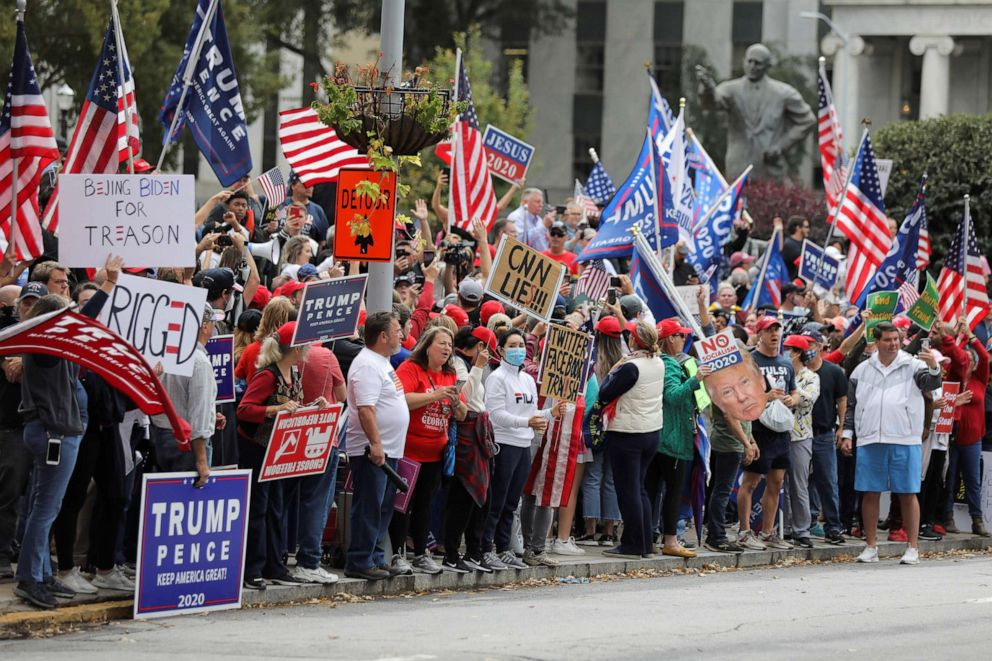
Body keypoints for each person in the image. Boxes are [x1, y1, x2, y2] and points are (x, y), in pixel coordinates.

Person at [842, 322, 942, 565]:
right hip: (870, 438)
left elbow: (932, 384)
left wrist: (934, 367)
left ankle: (912, 548)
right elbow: (853, 406)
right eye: (887, 340)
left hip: (905, 437)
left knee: (908, 493)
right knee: (870, 492)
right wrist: (847, 433)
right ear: (877, 342)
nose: (893, 344)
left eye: (896, 339)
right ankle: (871, 546)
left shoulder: (913, 365)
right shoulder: (861, 370)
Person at [236, 322, 314, 590]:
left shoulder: (294, 371)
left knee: (276, 507)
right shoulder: (267, 375)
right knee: (258, 508)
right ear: (294, 348)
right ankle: (252, 569)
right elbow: (245, 409)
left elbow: (293, 406)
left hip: (279, 451)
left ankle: (274, 565)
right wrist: (275, 410)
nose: (309, 349)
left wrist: (314, 407)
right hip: (257, 448)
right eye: (305, 345)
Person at [391, 327, 467, 575]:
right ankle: (396, 553)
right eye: (442, 343)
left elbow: (463, 414)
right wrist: (434, 395)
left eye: (450, 344)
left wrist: (455, 403)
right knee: (403, 505)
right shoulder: (411, 368)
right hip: (409, 451)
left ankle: (421, 553)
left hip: (436, 452)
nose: (447, 348)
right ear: (427, 345)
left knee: (425, 504)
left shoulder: (450, 374)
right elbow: (402, 399)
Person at [481, 329, 556, 570]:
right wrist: (527, 423)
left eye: (521, 344)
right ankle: (485, 549)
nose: (518, 349)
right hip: (504, 444)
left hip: (523, 445)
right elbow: (495, 415)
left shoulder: (527, 379)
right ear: (501, 350)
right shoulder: (497, 378)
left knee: (512, 502)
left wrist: (550, 413)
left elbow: (531, 412)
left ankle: (503, 548)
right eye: (512, 345)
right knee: (497, 500)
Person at [344, 311, 410, 581]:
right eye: (397, 331)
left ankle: (373, 556)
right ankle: (359, 559)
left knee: (382, 507)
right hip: (371, 451)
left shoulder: (381, 362)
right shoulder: (368, 365)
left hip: (389, 449)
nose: (402, 336)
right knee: (369, 505)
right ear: (383, 336)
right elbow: (366, 409)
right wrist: (376, 443)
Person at [696, 43, 816, 181]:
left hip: (769, 168)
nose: (752, 66)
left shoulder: (783, 93)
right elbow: (710, 104)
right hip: (737, 167)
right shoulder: (731, 90)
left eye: (757, 63)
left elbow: (808, 120)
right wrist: (707, 89)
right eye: (749, 61)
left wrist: (781, 146)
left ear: (767, 66)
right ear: (744, 61)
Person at [598, 321, 666, 558]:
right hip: (650, 432)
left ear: (634, 341)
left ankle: (633, 544)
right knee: (639, 490)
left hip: (628, 434)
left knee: (628, 492)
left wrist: (615, 367)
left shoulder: (631, 367)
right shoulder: (658, 362)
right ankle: (644, 542)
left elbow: (605, 392)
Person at [648, 318, 711, 558]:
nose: (685, 340)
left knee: (651, 490)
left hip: (658, 434)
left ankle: (648, 537)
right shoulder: (671, 364)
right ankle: (670, 540)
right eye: (681, 336)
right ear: (669, 339)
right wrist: (695, 380)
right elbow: (673, 396)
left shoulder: (656, 361)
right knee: (673, 490)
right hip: (674, 438)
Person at [736, 316, 797, 551]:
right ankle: (744, 531)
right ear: (759, 333)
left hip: (780, 430)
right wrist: (765, 397)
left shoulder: (786, 363)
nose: (775, 335)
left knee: (777, 481)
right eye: (769, 330)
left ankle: (769, 532)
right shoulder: (750, 360)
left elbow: (794, 391)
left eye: (777, 330)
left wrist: (794, 398)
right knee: (750, 481)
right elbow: (740, 394)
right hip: (758, 429)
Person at [443, 327, 497, 573]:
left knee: (481, 497)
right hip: (466, 430)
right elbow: (463, 397)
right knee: (464, 495)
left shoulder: (471, 365)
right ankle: (452, 553)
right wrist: (478, 368)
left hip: (479, 430)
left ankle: (474, 550)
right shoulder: (458, 364)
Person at [576, 316, 624, 546]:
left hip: (595, 425)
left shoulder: (592, 362)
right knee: (612, 479)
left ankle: (589, 530)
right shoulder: (626, 362)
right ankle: (609, 531)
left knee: (593, 477)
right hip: (619, 426)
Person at [940, 317, 990, 537]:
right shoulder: (953, 378)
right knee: (949, 480)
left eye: (971, 358)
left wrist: (971, 335)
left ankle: (977, 520)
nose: (967, 360)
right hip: (952, 438)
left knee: (972, 481)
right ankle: (948, 517)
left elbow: (986, 357)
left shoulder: (980, 379)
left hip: (973, 440)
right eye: (964, 358)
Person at [804, 328, 849, 545]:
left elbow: (842, 400)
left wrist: (841, 427)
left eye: (812, 343)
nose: (808, 348)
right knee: (801, 482)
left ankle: (833, 526)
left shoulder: (834, 372)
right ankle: (805, 524)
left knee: (828, 482)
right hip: (800, 434)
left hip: (823, 433)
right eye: (805, 343)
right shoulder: (798, 371)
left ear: (821, 346)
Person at [781, 335, 819, 549]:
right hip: (777, 434)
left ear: (796, 353)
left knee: (798, 484)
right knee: (778, 483)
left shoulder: (811, 377)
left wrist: (791, 391)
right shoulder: (779, 371)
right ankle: (782, 527)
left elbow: (808, 398)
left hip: (800, 436)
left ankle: (802, 530)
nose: (783, 352)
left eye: (787, 349)